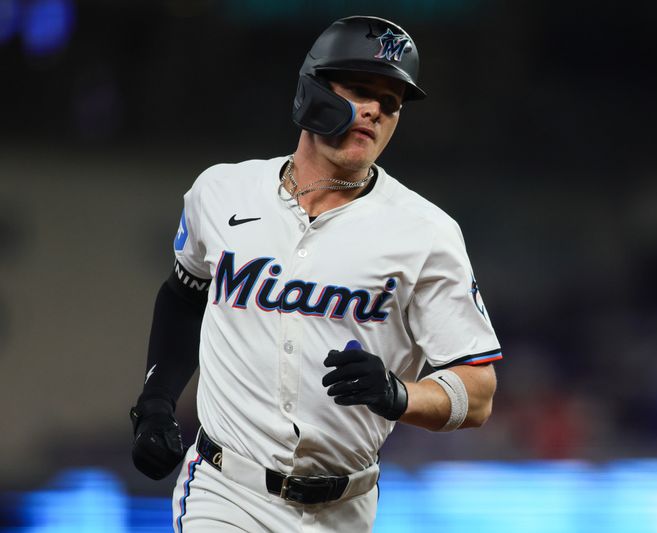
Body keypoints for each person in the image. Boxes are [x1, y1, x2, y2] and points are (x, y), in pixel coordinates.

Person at [129, 15, 502, 532]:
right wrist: (155, 402)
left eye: (391, 102)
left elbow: (478, 392)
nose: (375, 109)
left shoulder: (425, 234)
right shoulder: (221, 193)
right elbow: (185, 294)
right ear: (312, 89)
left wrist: (400, 395)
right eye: (360, 89)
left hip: (345, 505)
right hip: (226, 489)